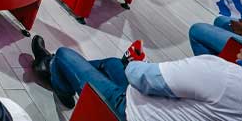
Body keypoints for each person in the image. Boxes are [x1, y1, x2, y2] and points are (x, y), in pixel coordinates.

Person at [29, 34, 242, 114]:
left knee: (65, 54)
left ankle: (56, 74)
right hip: (161, 105)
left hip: (132, 110)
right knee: (112, 64)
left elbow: (141, 78)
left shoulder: (221, 73)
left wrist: (135, 62)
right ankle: (54, 69)